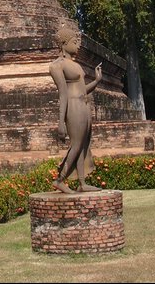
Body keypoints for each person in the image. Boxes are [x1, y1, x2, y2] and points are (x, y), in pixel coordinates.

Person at [49, 25, 103, 193]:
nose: (78, 46)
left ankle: (82, 182)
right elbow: (63, 94)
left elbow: (82, 89)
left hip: (83, 105)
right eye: (74, 42)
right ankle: (60, 179)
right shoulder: (57, 66)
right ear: (64, 44)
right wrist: (60, 122)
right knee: (76, 144)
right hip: (73, 107)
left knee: (83, 144)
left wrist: (97, 80)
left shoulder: (75, 65)